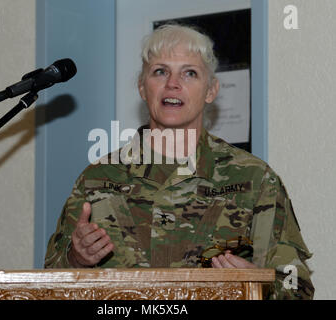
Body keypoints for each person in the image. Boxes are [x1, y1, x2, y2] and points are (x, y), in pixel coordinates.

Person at [44, 24, 314, 299]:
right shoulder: (98, 177)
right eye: (160, 71)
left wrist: (254, 286)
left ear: (210, 91)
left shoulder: (254, 180)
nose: (172, 83)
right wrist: (76, 259)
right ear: (142, 87)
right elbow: (47, 286)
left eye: (190, 73)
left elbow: (297, 287)